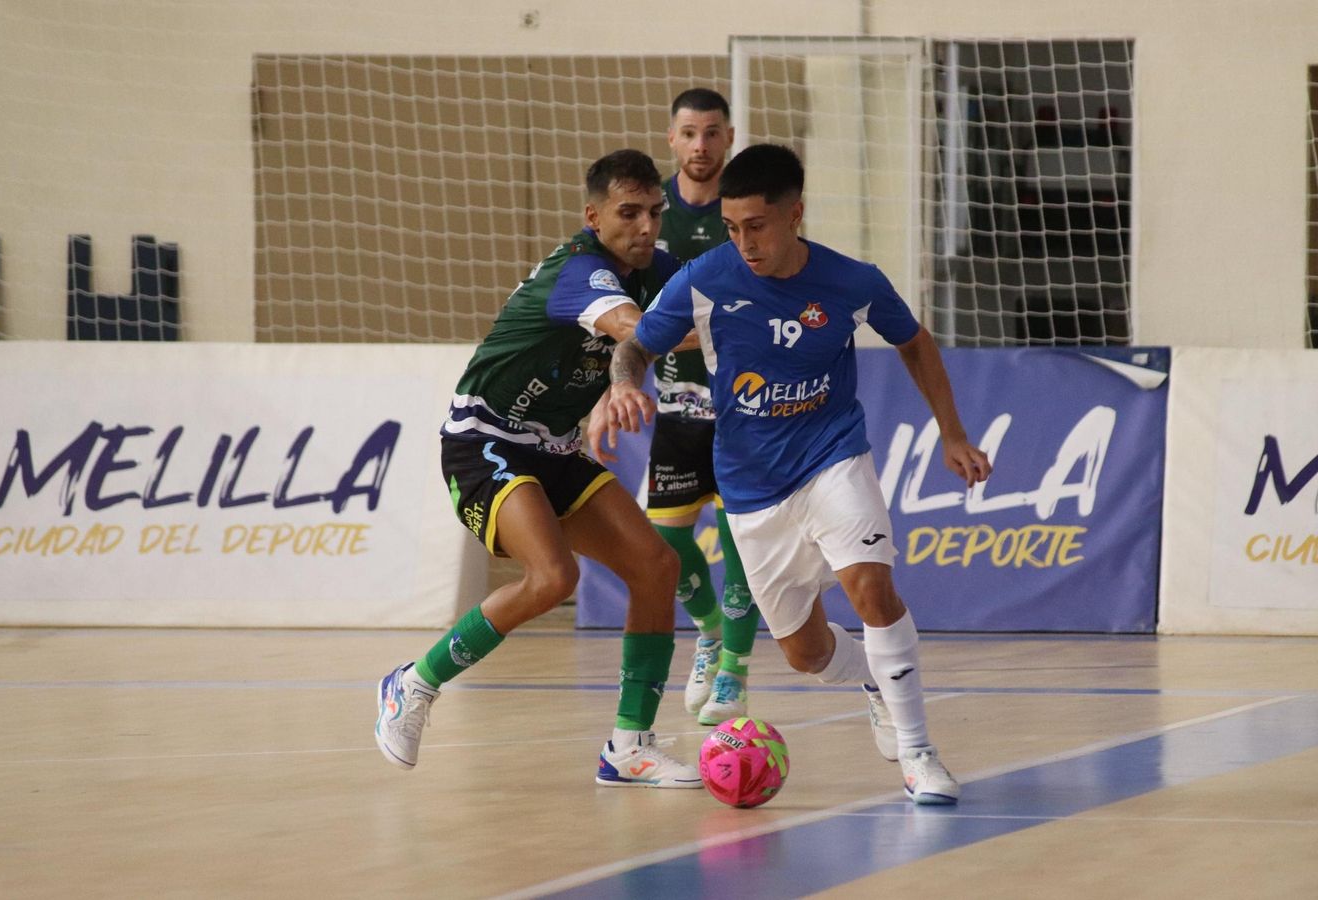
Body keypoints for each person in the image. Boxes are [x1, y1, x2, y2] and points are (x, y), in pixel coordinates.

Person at [600, 143, 992, 805]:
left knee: (870, 589)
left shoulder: (851, 282)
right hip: (752, 486)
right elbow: (638, 345)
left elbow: (913, 340)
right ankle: (874, 676)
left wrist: (950, 431)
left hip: (832, 454)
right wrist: (619, 386)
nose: (744, 242)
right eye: (732, 227)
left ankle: (920, 754)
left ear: (795, 215)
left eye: (756, 225)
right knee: (806, 654)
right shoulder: (706, 280)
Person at [375, 149, 701, 789]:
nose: (645, 227)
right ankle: (412, 684)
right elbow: (635, 328)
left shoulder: (656, 268)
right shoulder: (580, 272)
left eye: (655, 213)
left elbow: (694, 301)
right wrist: (700, 333)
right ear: (593, 216)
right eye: (627, 213)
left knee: (656, 565)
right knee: (554, 575)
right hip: (483, 440)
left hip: (552, 447)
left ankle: (629, 745)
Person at [592, 87, 759, 728]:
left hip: (744, 407)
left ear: (729, 136)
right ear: (671, 139)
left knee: (743, 538)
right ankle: (711, 631)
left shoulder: (745, 210)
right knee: (666, 539)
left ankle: (734, 676)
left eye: (712, 133)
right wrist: (618, 382)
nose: (700, 145)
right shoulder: (648, 212)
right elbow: (624, 316)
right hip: (678, 406)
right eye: (689, 133)